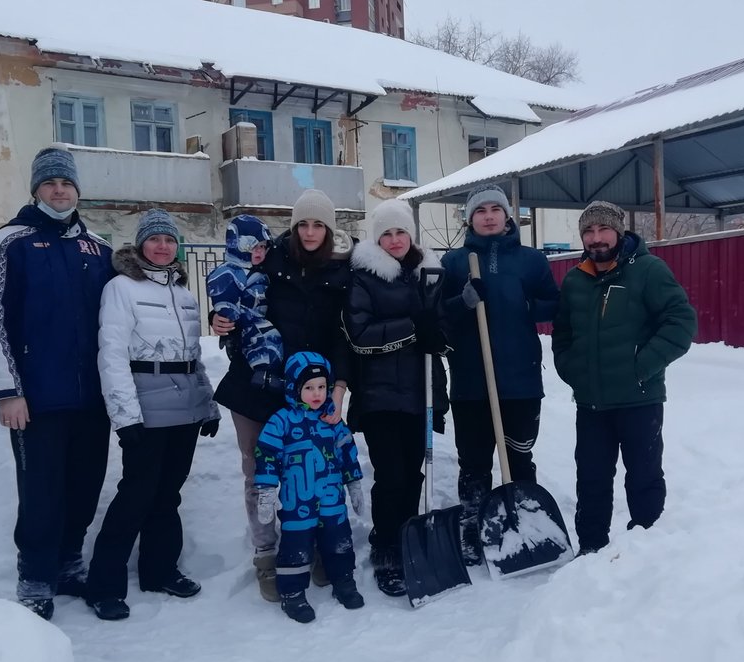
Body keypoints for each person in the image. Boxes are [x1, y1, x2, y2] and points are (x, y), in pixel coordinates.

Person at [0, 145, 114, 620]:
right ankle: (35, 573)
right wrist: (8, 390)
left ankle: (69, 562)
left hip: (93, 398)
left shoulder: (97, 248)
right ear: (36, 189)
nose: (59, 190)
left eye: (67, 183)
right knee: (41, 489)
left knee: (85, 484)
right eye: (51, 183)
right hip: (37, 398)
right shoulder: (8, 243)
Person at [211, 189, 354, 602]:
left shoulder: (341, 272)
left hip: (311, 390)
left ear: (329, 229)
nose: (309, 232)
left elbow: (343, 337)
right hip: (258, 385)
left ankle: (314, 545)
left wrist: (339, 389)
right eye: (302, 224)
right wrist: (219, 318)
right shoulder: (269, 258)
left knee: (316, 471)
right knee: (259, 473)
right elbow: (233, 292)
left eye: (318, 225)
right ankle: (266, 554)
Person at [86, 209, 222, 620]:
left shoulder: (182, 293)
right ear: (140, 244)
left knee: (168, 494)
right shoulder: (121, 288)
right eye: (154, 239)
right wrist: (126, 419)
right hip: (146, 407)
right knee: (136, 495)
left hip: (185, 408)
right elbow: (111, 356)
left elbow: (192, 357)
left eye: (169, 240)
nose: (162, 246)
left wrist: (208, 405)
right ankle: (103, 585)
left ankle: (159, 570)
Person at [551, 201, 697, 553]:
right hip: (591, 404)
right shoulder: (575, 280)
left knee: (644, 478)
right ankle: (590, 551)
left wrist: (641, 367)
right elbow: (562, 334)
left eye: (603, 230)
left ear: (619, 231)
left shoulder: (648, 271)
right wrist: (573, 371)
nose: (596, 238)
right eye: (588, 231)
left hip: (639, 400)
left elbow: (681, 322)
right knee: (591, 480)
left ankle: (646, 552)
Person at [440, 183, 560, 565]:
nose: (489, 215)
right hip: (471, 381)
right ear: (469, 218)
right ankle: (473, 525)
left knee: (519, 457)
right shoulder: (454, 262)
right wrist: (463, 301)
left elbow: (552, 305)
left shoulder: (532, 260)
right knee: (473, 461)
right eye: (480, 210)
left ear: (508, 216)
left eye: (496, 209)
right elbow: (438, 315)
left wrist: (526, 302)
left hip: (521, 379)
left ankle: (524, 519)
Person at [343, 199, 448, 596]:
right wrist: (412, 327)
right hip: (379, 396)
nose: (394, 240)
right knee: (390, 477)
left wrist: (444, 325)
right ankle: (385, 545)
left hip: (420, 394)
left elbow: (440, 326)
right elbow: (360, 334)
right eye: (386, 233)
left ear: (411, 235)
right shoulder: (364, 278)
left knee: (413, 475)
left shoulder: (429, 274)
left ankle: (407, 537)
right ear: (377, 239)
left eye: (400, 232)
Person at [253, 351, 365, 623]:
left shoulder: (332, 420)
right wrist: (267, 491)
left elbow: (347, 450)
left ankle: (344, 581)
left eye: (322, 387)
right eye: (308, 388)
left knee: (339, 540)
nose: (317, 393)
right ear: (294, 388)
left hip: (331, 498)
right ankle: (292, 593)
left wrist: (354, 483)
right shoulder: (281, 421)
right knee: (296, 547)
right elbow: (266, 455)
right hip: (297, 502)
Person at [205, 215, 282, 386]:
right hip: (245, 324)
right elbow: (223, 296)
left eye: (263, 247)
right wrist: (225, 318)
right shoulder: (231, 272)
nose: (259, 252)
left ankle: (266, 372)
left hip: (259, 319)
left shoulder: (262, 270)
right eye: (254, 246)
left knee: (269, 337)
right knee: (264, 338)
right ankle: (263, 374)